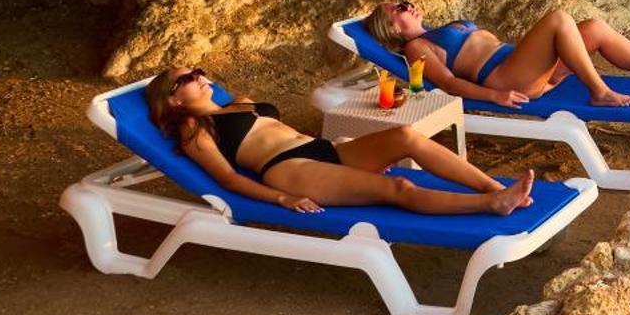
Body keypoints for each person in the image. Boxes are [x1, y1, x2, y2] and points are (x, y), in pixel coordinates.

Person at [145, 66, 532, 215]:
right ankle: (491, 203)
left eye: (197, 70)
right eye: (186, 78)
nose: (198, 76)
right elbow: (228, 180)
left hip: (321, 150)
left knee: (405, 135)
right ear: (174, 98)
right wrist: (282, 198)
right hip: (289, 171)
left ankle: (494, 186)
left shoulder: (238, 103)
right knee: (397, 186)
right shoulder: (194, 130)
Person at [363, 1, 630, 110]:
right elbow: (449, 84)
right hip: (507, 77)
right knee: (558, 19)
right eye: (400, 8)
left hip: (527, 67)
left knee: (593, 27)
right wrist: (494, 94)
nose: (410, 5)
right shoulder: (416, 48)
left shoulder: (437, 30)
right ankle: (599, 92)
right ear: (392, 29)